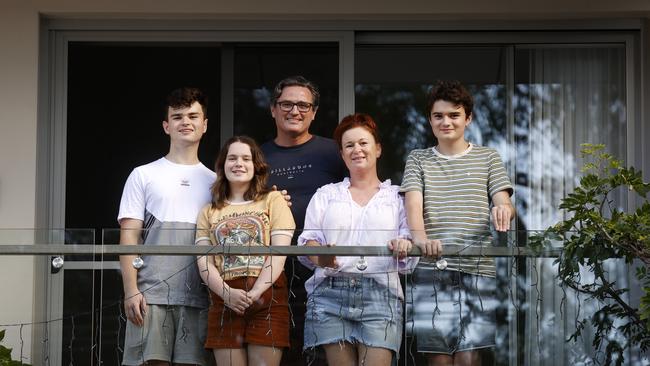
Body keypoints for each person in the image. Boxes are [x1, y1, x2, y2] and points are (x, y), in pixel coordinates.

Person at [401, 80, 515, 366]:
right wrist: (421, 239)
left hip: (477, 269)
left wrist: (502, 209)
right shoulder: (418, 158)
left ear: (468, 118)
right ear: (430, 120)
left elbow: (504, 201)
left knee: (469, 358)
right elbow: (412, 205)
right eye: (438, 115)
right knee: (438, 359)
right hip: (431, 269)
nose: (446, 121)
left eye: (454, 115)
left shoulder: (488, 157)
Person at [297, 113, 417, 366]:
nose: (357, 150)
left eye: (363, 143)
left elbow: (410, 239)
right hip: (330, 292)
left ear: (378, 149)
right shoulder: (326, 194)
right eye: (349, 145)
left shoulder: (398, 197)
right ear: (342, 154)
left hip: (380, 294)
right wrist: (323, 257)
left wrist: (404, 245)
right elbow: (309, 241)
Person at [118, 87, 213, 366]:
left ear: (204, 125)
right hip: (150, 295)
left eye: (193, 116)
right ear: (166, 126)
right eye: (178, 116)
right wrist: (131, 290)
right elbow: (129, 237)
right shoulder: (143, 174)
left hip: (200, 296)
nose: (186, 121)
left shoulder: (217, 180)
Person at [261, 75, 347, 364]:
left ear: (314, 112)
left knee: (325, 352)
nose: (294, 111)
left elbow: (361, 195)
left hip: (324, 268)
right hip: (271, 269)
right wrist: (265, 205)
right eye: (286, 104)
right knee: (279, 349)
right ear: (273, 109)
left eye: (302, 105)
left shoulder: (334, 152)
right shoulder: (256, 156)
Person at [195, 136, 296, 366]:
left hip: (267, 297)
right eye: (232, 158)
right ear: (222, 166)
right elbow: (204, 262)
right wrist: (226, 293)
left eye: (245, 158)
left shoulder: (273, 200)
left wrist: (257, 291)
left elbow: (279, 253)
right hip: (224, 298)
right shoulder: (208, 211)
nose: (238, 163)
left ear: (256, 166)